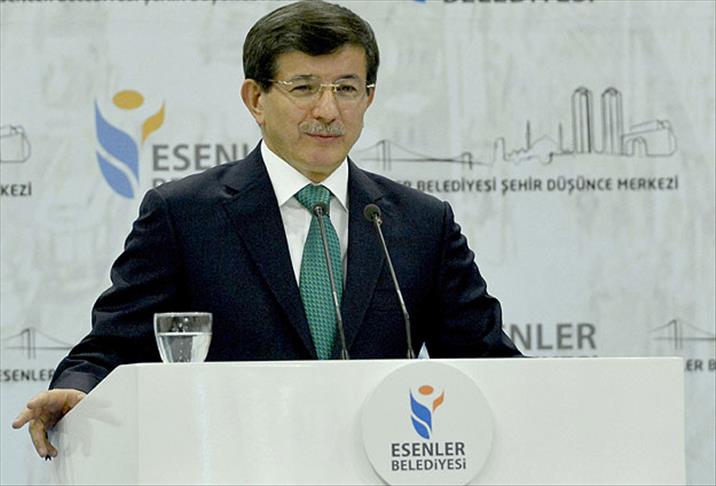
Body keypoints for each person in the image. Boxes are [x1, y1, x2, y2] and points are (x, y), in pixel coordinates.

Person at [12, 0, 521, 459]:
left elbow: (492, 366)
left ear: (368, 98)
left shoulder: (420, 223)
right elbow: (110, 348)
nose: (328, 110)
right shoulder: (185, 215)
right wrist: (79, 391)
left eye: (346, 89)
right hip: (232, 466)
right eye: (304, 88)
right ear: (255, 98)